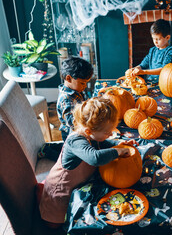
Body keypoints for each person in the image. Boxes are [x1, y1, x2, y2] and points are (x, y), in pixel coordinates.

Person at [39, 97, 137, 227]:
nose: (110, 134)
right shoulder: (76, 142)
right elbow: (94, 158)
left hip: (76, 185)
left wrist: (118, 145)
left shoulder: (91, 134)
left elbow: (103, 142)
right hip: (61, 192)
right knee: (56, 224)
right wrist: (117, 152)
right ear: (88, 131)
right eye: (107, 132)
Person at [57, 56, 93, 141]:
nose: (85, 87)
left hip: (82, 126)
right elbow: (73, 124)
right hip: (72, 135)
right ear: (68, 78)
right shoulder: (66, 99)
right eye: (82, 83)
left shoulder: (76, 89)